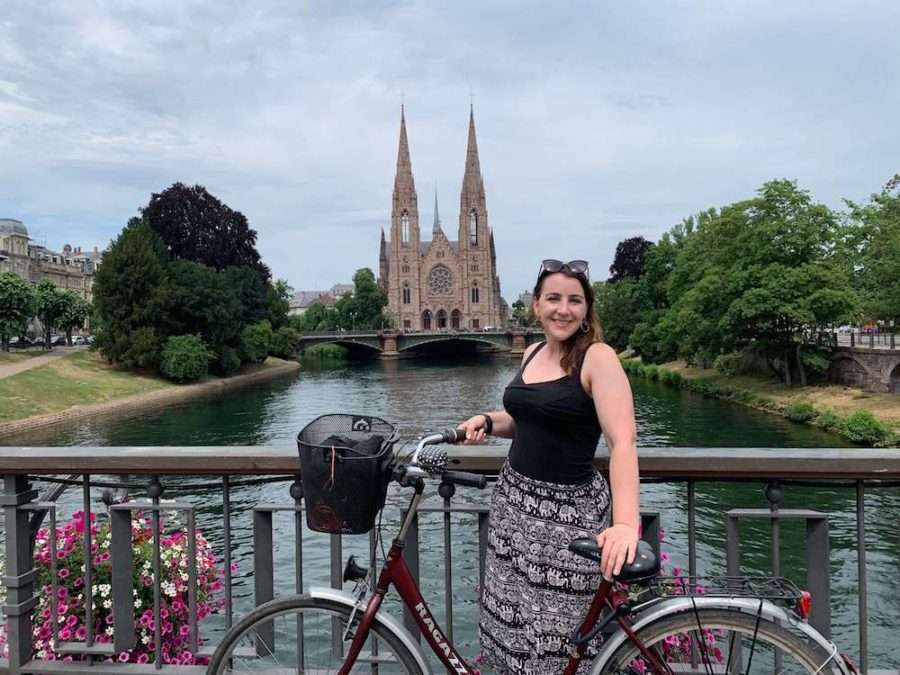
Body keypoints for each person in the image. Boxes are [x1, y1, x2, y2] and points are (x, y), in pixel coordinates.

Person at [457, 259, 640, 674]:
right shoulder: (533, 351)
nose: (564, 309)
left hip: (567, 520)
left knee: (560, 641)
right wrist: (487, 420)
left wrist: (626, 524)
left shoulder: (598, 358)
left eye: (575, 300)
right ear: (536, 305)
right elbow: (526, 417)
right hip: (514, 513)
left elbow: (622, 440)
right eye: (553, 298)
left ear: (587, 309)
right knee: (513, 630)